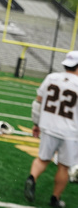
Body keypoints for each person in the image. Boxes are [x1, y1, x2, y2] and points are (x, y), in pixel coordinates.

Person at [24, 50, 78, 207]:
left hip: (48, 126)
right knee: (64, 167)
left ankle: (32, 178)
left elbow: (38, 102)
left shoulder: (51, 78)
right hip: (70, 132)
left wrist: (36, 123)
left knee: (42, 159)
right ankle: (55, 198)